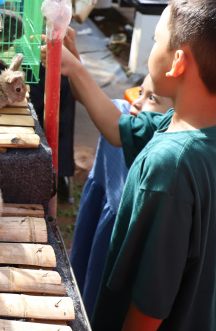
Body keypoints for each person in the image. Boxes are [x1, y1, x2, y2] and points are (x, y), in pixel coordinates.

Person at [56, 0, 216, 330]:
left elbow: (150, 305)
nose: (152, 48)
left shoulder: (169, 166)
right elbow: (119, 129)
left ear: (177, 62)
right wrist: (75, 69)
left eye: (157, 40)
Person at [70, 75, 172, 318]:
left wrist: (74, 67)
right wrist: (74, 64)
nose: (137, 103)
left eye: (152, 98)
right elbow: (85, 95)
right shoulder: (127, 113)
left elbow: (115, 128)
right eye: (140, 92)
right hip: (102, 229)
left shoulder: (148, 136)